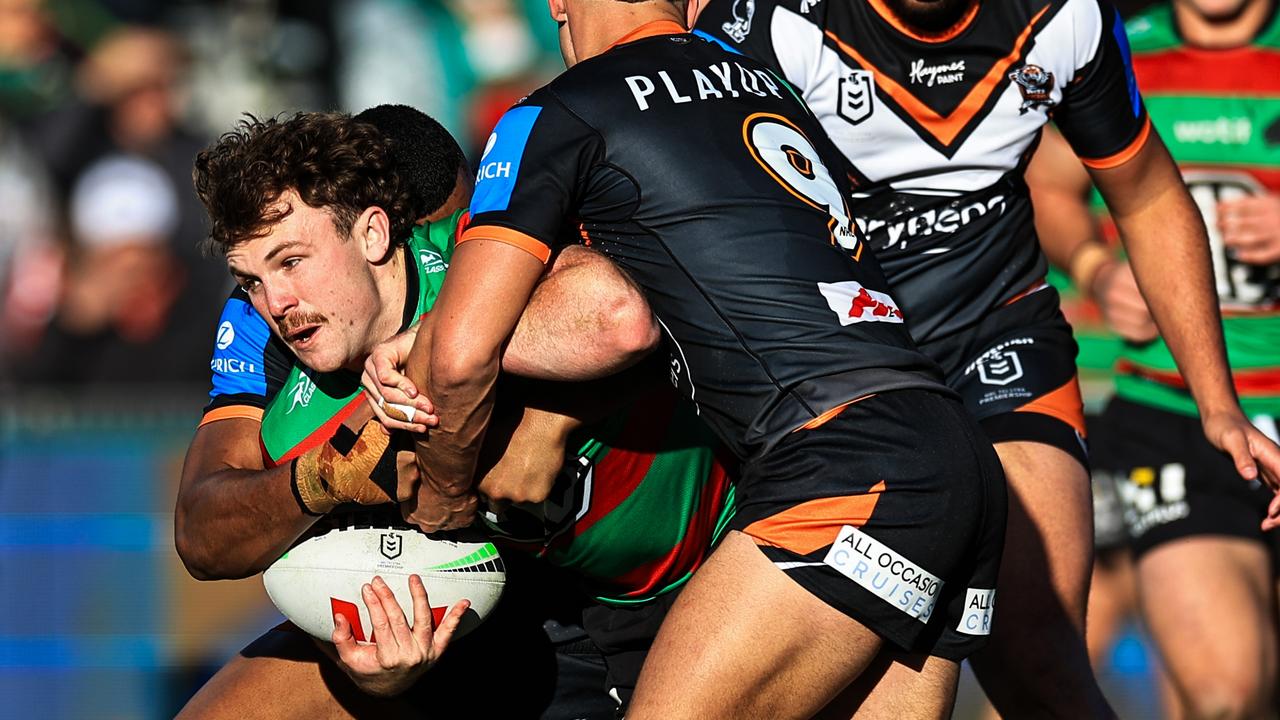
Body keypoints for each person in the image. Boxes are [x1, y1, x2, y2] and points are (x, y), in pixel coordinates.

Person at [402, 1, 1007, 717]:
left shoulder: (559, 112)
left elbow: (461, 355)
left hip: (841, 463)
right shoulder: (770, 86)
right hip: (954, 450)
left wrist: (443, 508)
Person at [693, 0, 1280, 715]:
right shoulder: (770, 21)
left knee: (1039, 651)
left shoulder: (1067, 16)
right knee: (855, 670)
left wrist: (1218, 406)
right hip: (832, 361)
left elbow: (1150, 194)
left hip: (999, 337)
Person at [177, 106, 732, 717]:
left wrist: (532, 408)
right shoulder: (283, 389)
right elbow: (205, 536)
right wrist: (326, 483)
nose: (275, 301)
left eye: (291, 261)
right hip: (514, 600)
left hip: (704, 562)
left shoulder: (474, 251)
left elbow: (620, 315)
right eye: (250, 278)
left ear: (374, 234)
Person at [1026, 1, 1280, 715]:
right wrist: (1096, 267)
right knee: (1221, 693)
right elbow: (1046, 185)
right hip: (1176, 416)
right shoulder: (1114, 50)